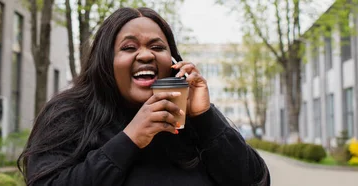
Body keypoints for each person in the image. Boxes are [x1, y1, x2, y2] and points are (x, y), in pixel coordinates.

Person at [18, 7, 270, 186]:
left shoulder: (194, 124)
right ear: (106, 62)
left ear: (173, 62)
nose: (146, 55)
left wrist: (206, 117)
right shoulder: (69, 114)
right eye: (129, 47)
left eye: (157, 47)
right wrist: (131, 138)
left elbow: (254, 180)